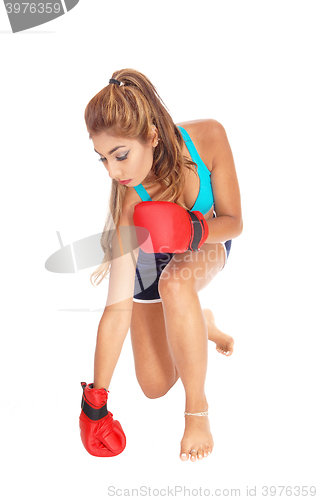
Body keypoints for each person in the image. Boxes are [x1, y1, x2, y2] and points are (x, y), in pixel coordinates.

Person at [79, 68, 243, 462]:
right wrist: (94, 401)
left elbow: (235, 222)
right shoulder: (130, 202)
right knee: (153, 385)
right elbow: (116, 309)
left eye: (120, 155)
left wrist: (191, 228)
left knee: (175, 284)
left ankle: (197, 412)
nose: (113, 172)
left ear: (151, 136)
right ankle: (198, 322)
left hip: (206, 239)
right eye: (102, 159)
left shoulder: (208, 139)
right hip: (151, 263)